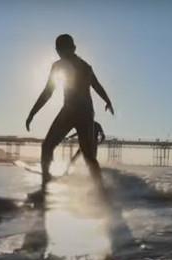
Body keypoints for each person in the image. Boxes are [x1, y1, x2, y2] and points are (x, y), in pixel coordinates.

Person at [25, 34, 113, 193]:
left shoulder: (62, 65)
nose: (60, 54)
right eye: (59, 51)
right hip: (84, 112)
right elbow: (97, 86)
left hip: (75, 111)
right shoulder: (84, 66)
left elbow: (48, 92)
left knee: (49, 147)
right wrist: (108, 100)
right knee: (87, 156)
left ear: (69, 49)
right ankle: (100, 191)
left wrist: (32, 113)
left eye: (61, 50)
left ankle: (45, 189)